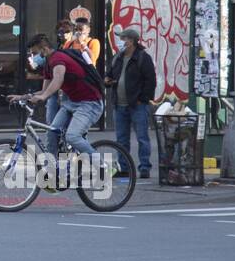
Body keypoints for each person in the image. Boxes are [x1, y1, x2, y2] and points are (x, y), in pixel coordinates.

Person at [10, 32, 102, 164]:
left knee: (72, 136)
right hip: (71, 102)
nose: (33, 57)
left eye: (35, 53)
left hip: (90, 103)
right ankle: (52, 173)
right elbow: (44, 89)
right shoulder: (48, 64)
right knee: (52, 132)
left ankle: (103, 165)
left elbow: (58, 80)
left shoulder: (58, 59)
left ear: (45, 49)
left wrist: (43, 97)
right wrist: (23, 96)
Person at [105, 27, 156, 179]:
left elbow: (150, 81)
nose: (121, 42)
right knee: (121, 139)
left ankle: (145, 167)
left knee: (142, 137)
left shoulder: (142, 57)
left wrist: (143, 100)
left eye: (123, 39)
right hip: (119, 105)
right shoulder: (117, 57)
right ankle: (124, 166)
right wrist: (108, 81)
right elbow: (110, 74)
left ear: (131, 40)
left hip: (137, 105)